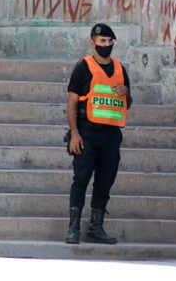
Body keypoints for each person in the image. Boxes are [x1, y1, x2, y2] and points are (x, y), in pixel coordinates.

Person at [64, 23, 131, 245]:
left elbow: (126, 104)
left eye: (109, 42)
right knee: (81, 179)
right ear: (93, 43)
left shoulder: (120, 68)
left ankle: (96, 227)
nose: (106, 45)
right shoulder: (83, 67)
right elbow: (72, 103)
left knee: (105, 182)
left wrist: (126, 93)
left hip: (111, 135)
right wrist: (74, 133)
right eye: (102, 41)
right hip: (87, 132)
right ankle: (73, 227)